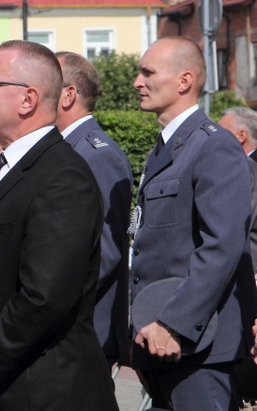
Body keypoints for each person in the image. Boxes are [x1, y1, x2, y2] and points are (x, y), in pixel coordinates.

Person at [0, 40, 117, 409]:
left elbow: (42, 299)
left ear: (28, 99)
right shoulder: (2, 170)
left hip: (42, 392)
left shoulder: (63, 177)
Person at [129, 36, 257, 409]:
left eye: (148, 72)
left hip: (197, 345)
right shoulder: (167, 147)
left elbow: (223, 246)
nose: (138, 82)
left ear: (184, 81)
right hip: (158, 339)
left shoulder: (213, 145)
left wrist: (175, 324)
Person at [55, 51, 133, 367]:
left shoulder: (96, 154)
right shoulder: (69, 149)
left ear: (68, 94)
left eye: (46, 84)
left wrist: (50, 303)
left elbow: (107, 249)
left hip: (85, 329)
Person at [218, 107, 257, 273]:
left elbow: (239, 224)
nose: (214, 137)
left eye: (221, 131)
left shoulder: (245, 167)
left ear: (241, 136)